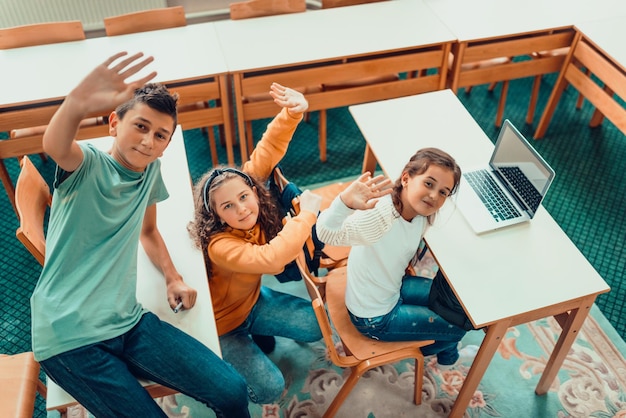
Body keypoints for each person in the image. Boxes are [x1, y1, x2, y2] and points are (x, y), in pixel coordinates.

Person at [31, 52, 250, 418]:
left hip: (126, 320)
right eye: (141, 126)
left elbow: (148, 231)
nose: (149, 141)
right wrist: (76, 103)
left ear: (168, 144)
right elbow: (55, 146)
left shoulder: (150, 172)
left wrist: (173, 277)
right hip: (68, 338)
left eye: (160, 134)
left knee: (232, 390)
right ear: (114, 123)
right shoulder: (87, 164)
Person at [188, 83, 323, 404]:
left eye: (244, 197)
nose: (242, 209)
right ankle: (219, 363)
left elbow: (267, 150)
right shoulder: (219, 245)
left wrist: (293, 112)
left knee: (318, 326)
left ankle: (257, 331)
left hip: (252, 301)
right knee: (268, 390)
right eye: (228, 207)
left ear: (252, 189)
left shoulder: (249, 189)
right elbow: (272, 260)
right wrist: (306, 216)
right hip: (223, 326)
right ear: (217, 216)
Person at [315, 147, 476, 369]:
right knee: (457, 329)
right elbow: (324, 233)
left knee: (458, 306)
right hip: (374, 317)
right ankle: (419, 353)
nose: (434, 196)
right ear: (406, 178)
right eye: (429, 184)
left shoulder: (418, 211)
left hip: (389, 289)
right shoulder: (380, 218)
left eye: (443, 192)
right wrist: (343, 202)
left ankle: (446, 356)